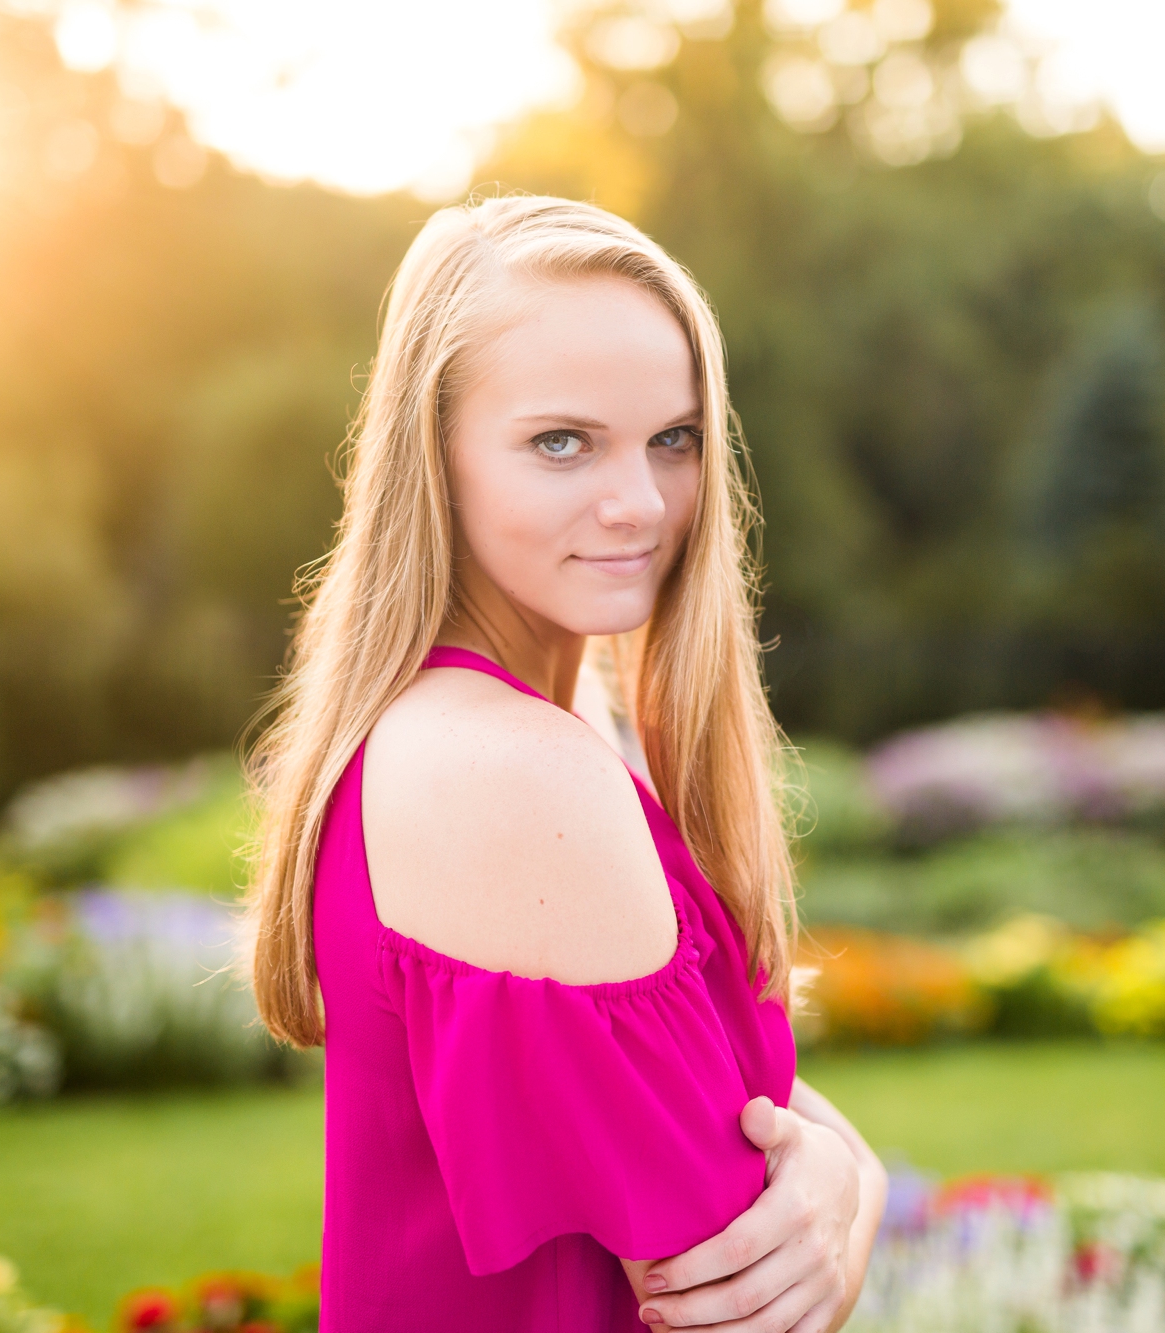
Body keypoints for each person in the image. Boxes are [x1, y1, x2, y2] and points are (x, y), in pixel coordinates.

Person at [244, 195, 887, 1331]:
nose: (639, 503)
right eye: (561, 441)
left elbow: (716, 1110)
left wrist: (843, 1176)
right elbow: (733, 1295)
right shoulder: (511, 770)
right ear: (430, 457)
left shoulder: (529, 721)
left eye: (672, 439)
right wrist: (852, 1194)